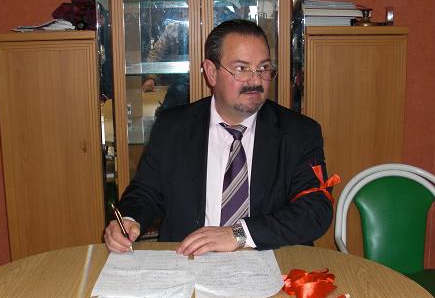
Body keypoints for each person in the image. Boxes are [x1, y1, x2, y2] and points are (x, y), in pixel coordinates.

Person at [104, 19, 335, 256]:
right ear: (211, 72)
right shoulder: (173, 127)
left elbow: (315, 210)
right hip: (189, 261)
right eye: (242, 68)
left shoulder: (299, 133)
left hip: (271, 262)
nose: (256, 81)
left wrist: (238, 234)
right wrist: (129, 220)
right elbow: (146, 191)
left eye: (264, 68)